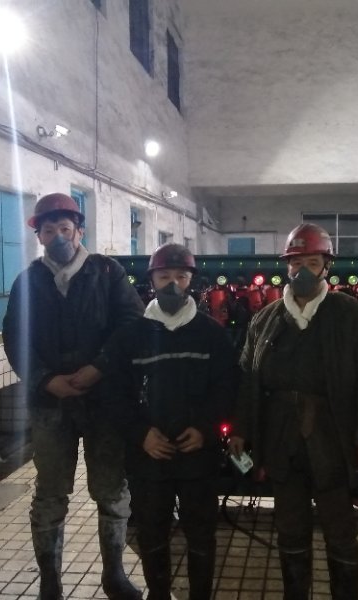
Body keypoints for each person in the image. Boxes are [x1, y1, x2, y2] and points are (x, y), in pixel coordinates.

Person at [229, 223, 358, 600]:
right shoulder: (265, 318)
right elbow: (247, 378)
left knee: (340, 530)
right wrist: (241, 428)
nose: (302, 270)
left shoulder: (350, 316)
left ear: (327, 267)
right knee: (289, 529)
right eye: (296, 262)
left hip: (333, 440)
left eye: (312, 262)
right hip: (281, 440)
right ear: (286, 267)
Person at [3, 193, 144, 600]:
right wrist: (46, 380)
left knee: (111, 489)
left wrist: (99, 368)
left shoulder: (108, 272)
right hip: (51, 404)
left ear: (80, 231)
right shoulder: (28, 281)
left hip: (104, 400)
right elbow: (16, 337)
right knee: (50, 492)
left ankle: (114, 574)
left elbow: (131, 323)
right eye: (49, 230)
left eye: (65, 228)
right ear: (39, 236)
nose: (58, 236)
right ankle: (50, 582)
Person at [117, 243, 239, 600]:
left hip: (197, 457)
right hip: (148, 459)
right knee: (151, 532)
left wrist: (205, 428)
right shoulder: (131, 336)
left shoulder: (211, 334)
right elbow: (114, 395)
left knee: (201, 533)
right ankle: (159, 594)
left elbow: (227, 386)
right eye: (164, 276)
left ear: (192, 281)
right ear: (151, 280)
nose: (173, 284)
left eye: (181, 276)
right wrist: (141, 434)